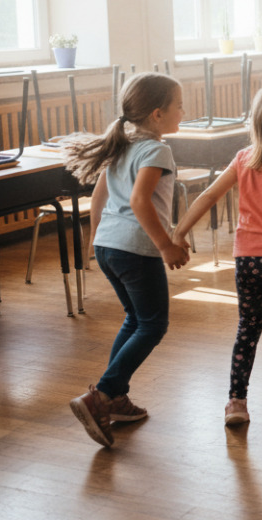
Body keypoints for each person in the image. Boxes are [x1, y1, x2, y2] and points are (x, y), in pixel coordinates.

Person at [172, 86, 262, 426]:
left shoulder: (244, 159)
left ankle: (236, 403)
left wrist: (179, 232)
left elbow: (208, 195)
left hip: (247, 259)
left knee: (247, 329)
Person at [62, 73, 189, 448]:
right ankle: (101, 395)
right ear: (156, 114)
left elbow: (99, 199)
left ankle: (115, 398)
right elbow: (139, 201)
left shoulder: (121, 145)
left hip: (109, 247)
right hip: (136, 248)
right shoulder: (156, 151)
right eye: (179, 105)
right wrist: (166, 245)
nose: (184, 111)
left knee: (135, 319)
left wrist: (97, 241)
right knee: (153, 325)